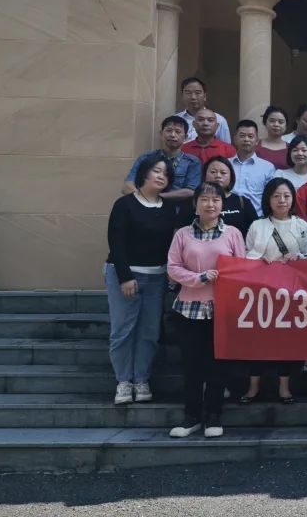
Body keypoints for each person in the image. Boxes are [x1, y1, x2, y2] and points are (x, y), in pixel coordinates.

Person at [166, 182, 247, 439]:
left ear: (222, 205)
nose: (210, 204)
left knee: (216, 365)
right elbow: (172, 267)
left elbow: (241, 268)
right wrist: (199, 278)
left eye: (216, 200)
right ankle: (191, 416)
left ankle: (214, 415)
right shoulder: (182, 234)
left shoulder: (232, 233)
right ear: (195, 204)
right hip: (188, 309)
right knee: (192, 366)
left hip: (220, 309)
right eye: (205, 199)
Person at [105, 153, 178, 405]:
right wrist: (125, 277)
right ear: (144, 173)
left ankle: (141, 379)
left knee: (149, 332)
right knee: (123, 330)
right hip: (125, 276)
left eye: (166, 173)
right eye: (156, 171)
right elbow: (116, 242)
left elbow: (171, 245)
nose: (161, 176)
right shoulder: (124, 204)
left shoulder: (168, 208)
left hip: (156, 277)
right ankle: (123, 381)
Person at [242, 177, 307, 404]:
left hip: (291, 292)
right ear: (268, 199)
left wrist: (298, 258)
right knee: (257, 341)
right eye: (276, 196)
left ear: (293, 199)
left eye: (286, 196)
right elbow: (245, 255)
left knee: (286, 340)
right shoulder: (257, 226)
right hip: (261, 292)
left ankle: (284, 387)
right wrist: (258, 260)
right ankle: (253, 387)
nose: (282, 200)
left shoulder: (302, 226)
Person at [122, 115, 201, 202]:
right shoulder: (146, 157)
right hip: (143, 206)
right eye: (169, 130)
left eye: (178, 132)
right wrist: (144, 200)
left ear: (185, 137)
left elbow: (191, 191)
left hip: (176, 208)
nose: (173, 135)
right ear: (161, 133)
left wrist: (156, 197)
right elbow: (127, 186)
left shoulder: (192, 162)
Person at [182, 156, 258, 237]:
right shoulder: (192, 201)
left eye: (223, 173)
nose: (218, 175)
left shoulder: (242, 202)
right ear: (204, 176)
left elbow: (256, 231)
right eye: (213, 172)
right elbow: (180, 233)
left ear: (231, 177)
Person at [229, 120, 276, 217]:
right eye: (242, 136)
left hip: (257, 218)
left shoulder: (267, 167)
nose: (246, 139)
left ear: (257, 141)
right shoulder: (225, 165)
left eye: (250, 136)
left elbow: (271, 196)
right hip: (228, 217)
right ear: (235, 139)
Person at [175, 77, 232, 144]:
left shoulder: (219, 120)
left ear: (205, 96)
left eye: (197, 93)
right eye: (188, 93)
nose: (193, 97)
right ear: (182, 96)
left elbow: (226, 147)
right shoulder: (175, 119)